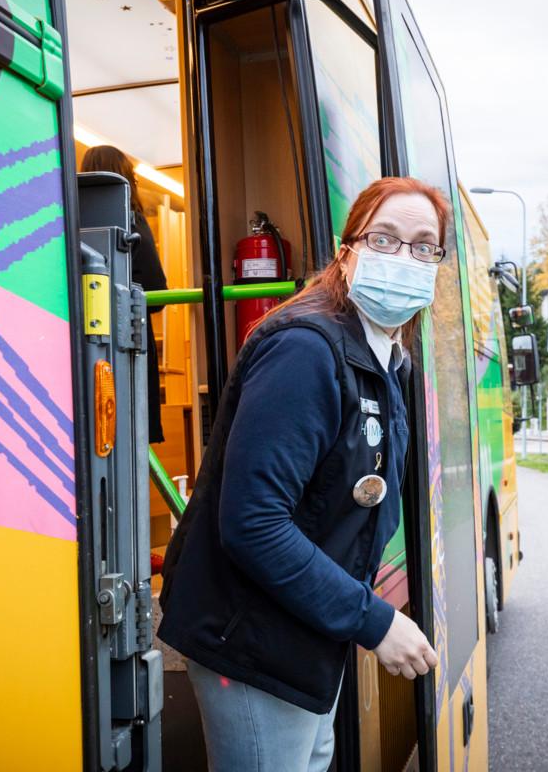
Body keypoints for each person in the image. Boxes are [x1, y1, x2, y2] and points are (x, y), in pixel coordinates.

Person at [158, 177, 448, 771]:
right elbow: (254, 523)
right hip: (253, 641)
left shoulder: (385, 356)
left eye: (424, 246)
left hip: (303, 633)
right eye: (385, 239)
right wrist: (372, 620)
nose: (405, 258)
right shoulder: (306, 349)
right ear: (348, 253)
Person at [80, 145, 168, 444]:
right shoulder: (133, 222)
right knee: (132, 436)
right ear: (127, 179)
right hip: (129, 339)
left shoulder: (69, 219)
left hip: (82, 342)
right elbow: (157, 292)